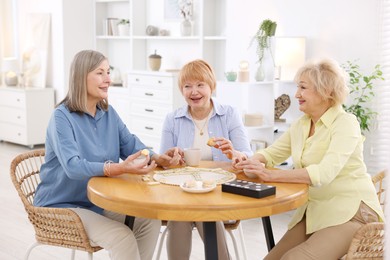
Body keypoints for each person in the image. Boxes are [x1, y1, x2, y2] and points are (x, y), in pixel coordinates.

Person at [33, 50, 182, 260]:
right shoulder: (61, 117)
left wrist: (157, 157)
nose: (108, 79)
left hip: (97, 203)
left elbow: (130, 144)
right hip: (61, 205)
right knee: (122, 237)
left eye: (108, 72)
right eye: (100, 73)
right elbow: (73, 167)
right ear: (81, 76)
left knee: (149, 221)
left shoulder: (108, 113)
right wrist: (118, 168)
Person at [233, 58, 385, 260]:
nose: (296, 94)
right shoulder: (301, 125)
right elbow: (271, 154)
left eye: (303, 88)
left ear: (326, 91)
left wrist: (270, 175)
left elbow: (324, 173)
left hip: (352, 212)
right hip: (317, 209)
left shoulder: (345, 123)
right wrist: (252, 161)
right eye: (298, 87)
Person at [160, 59, 253, 260]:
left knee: (204, 212)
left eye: (200, 85)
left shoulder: (229, 114)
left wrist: (234, 154)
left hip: (220, 192)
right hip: (182, 192)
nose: (194, 92)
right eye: (187, 86)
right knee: (180, 216)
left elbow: (249, 155)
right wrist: (169, 159)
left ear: (212, 86)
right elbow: (162, 164)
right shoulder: (172, 119)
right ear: (181, 90)